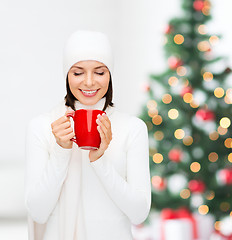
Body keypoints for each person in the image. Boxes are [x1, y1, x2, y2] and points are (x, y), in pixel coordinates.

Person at [24, 30, 151, 240]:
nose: (89, 82)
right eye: (78, 72)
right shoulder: (42, 126)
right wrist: (61, 151)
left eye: (100, 72)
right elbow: (38, 212)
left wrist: (100, 160)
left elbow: (139, 214)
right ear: (66, 75)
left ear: (110, 75)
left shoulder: (133, 128)